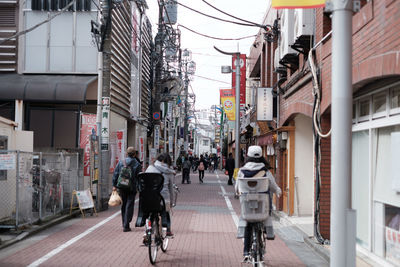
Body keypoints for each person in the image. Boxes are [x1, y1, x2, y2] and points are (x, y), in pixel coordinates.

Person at [235, 145, 282, 261]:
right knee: (267, 202)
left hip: (247, 208)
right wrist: (278, 191)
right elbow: (273, 185)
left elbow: (237, 187)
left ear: (248, 156)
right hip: (263, 208)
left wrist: (237, 192)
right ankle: (266, 229)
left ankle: (246, 252)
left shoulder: (242, 171)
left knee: (248, 225)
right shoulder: (265, 171)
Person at [145, 153, 175, 237]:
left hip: (149, 197)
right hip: (163, 199)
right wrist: (171, 203)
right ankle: (168, 230)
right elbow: (171, 188)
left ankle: (147, 231)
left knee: (150, 214)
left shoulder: (150, 168)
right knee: (166, 211)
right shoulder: (169, 171)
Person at [112, 147, 141, 232]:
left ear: (126, 153)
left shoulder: (121, 162)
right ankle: (126, 224)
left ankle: (124, 223)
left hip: (122, 186)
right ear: (135, 154)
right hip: (132, 187)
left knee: (124, 204)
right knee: (129, 204)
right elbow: (139, 177)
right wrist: (139, 188)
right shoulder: (137, 164)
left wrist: (114, 185)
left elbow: (116, 173)